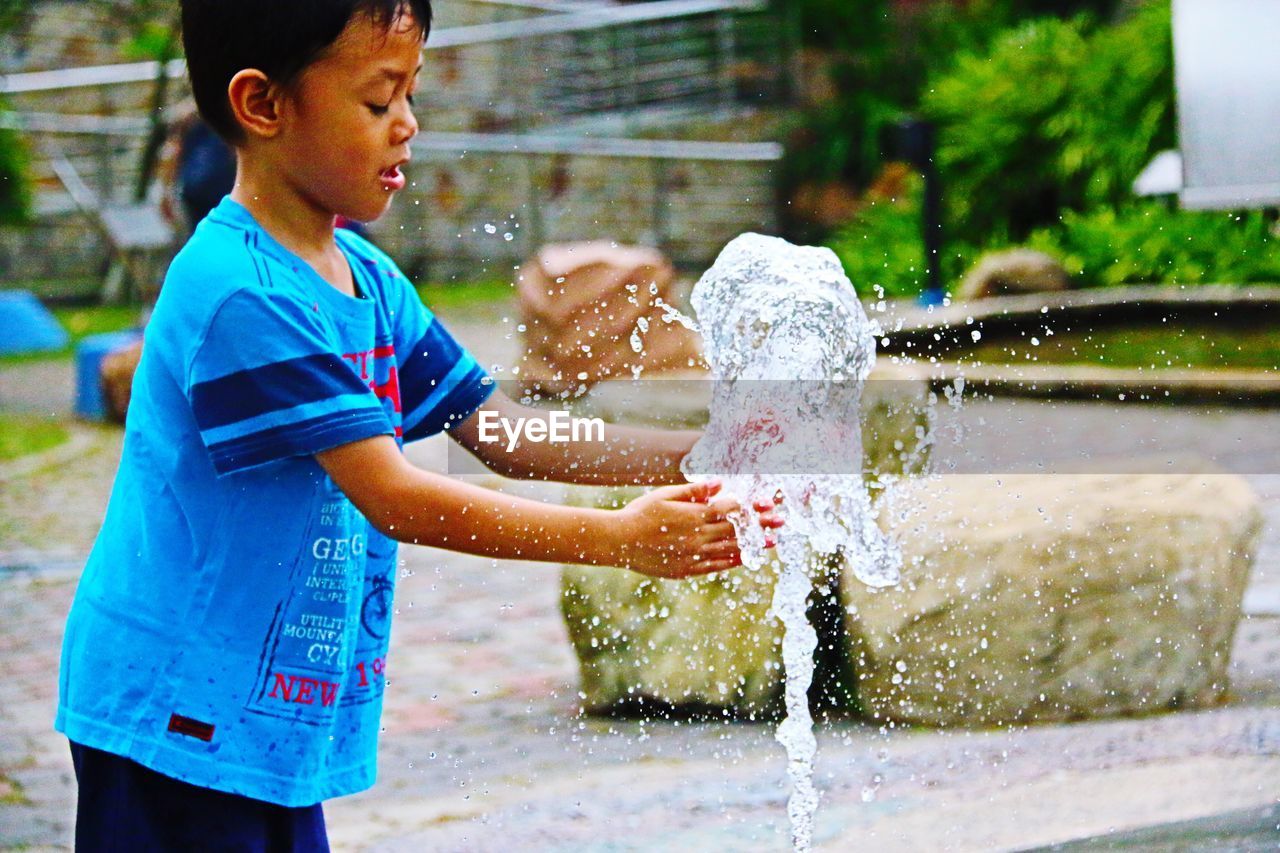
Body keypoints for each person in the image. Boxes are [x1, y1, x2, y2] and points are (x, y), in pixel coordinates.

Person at [54, 1, 783, 849]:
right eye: (377, 101)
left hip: (254, 723)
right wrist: (621, 538)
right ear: (263, 106)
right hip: (176, 723)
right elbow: (396, 496)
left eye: (411, 93)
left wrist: (702, 452)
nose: (408, 126)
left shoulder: (362, 275)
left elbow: (503, 433)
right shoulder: (239, 292)